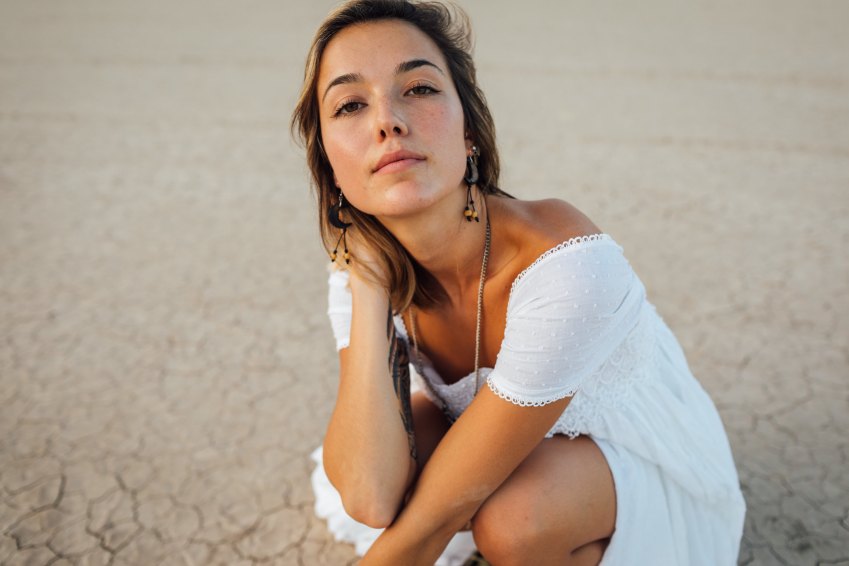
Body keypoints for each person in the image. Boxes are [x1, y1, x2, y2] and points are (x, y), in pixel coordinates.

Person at [291, 1, 746, 564]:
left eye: (420, 89)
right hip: (504, 446)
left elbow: (424, 531)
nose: (388, 120)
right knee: (394, 452)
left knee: (514, 521)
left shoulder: (566, 265)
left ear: (470, 133)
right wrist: (366, 284)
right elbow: (368, 493)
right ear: (332, 170)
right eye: (351, 104)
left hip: (635, 463)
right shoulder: (362, 267)